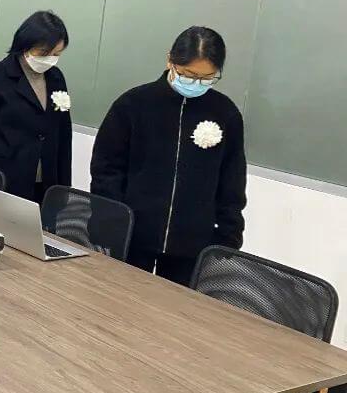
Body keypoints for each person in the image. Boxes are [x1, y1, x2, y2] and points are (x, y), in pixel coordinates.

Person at [91, 26, 246, 286]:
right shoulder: (134, 104)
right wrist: (110, 220)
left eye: (207, 78)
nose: (196, 83)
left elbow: (232, 178)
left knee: (178, 307)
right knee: (122, 299)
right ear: (170, 61)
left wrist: (229, 233)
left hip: (192, 241)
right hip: (132, 233)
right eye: (188, 75)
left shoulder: (225, 113)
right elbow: (106, 169)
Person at [0, 10, 72, 203]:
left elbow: (64, 134)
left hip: (47, 183)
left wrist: (64, 187)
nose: (49, 59)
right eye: (44, 53)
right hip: (7, 180)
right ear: (25, 45)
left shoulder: (56, 78)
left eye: (56, 54)